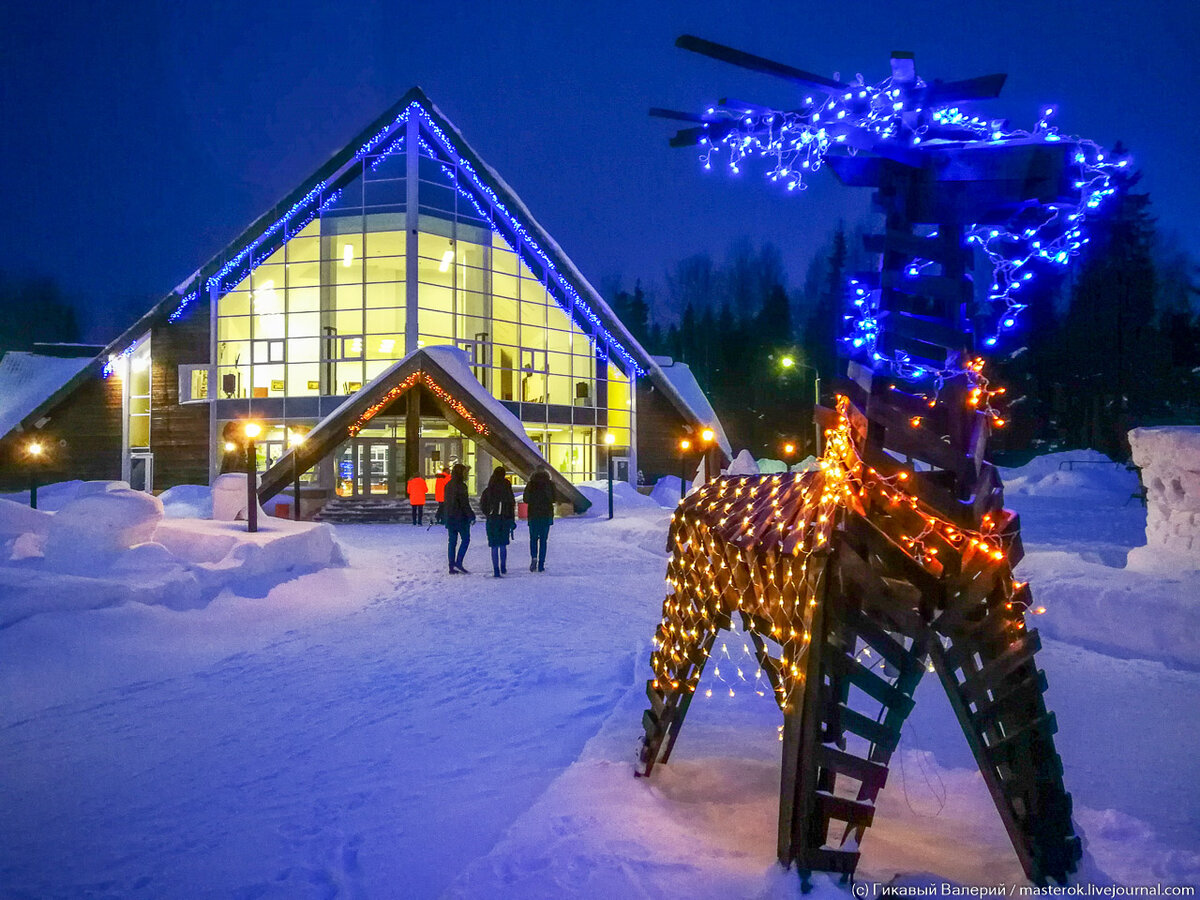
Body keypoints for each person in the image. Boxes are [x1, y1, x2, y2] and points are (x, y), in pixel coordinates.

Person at [479, 465, 516, 578]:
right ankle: (503, 566)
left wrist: (488, 513)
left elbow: (482, 504)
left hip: (492, 519)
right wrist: (511, 519)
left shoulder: (489, 489)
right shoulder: (506, 488)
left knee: (494, 545)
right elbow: (511, 504)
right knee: (503, 544)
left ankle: (496, 569)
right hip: (505, 519)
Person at [523, 467, 555, 572]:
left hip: (533, 514)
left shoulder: (531, 484)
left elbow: (525, 499)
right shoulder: (550, 484)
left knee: (533, 538)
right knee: (543, 540)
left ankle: (534, 558)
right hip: (545, 515)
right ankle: (541, 563)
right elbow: (554, 498)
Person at [443, 464, 474, 573]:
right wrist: (471, 515)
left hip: (450, 517)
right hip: (461, 518)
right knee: (465, 539)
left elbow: (445, 502)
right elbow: (464, 504)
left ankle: (451, 565)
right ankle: (458, 562)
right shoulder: (461, 486)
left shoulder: (448, 485)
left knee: (452, 542)